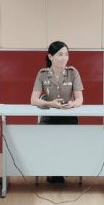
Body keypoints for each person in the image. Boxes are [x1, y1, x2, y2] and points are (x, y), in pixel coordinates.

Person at [30, 40, 84, 183]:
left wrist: (72, 104)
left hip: (68, 118)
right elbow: (34, 100)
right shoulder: (42, 74)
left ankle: (62, 168)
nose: (64, 58)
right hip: (49, 118)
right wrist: (50, 104)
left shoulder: (73, 72)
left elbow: (80, 99)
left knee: (67, 143)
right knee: (48, 142)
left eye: (66, 54)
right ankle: (53, 170)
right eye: (60, 54)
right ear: (50, 56)